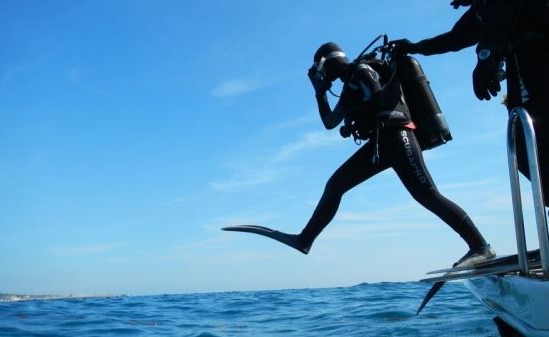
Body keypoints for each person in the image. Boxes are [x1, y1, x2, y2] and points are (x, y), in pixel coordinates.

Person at [224, 42, 495, 268]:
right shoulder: (349, 85)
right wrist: (320, 94)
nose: (320, 77)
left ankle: (480, 246)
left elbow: (378, 98)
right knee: (335, 186)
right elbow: (330, 122)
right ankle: (305, 240)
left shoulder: (362, 70)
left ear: (324, 64)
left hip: (398, 136)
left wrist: (357, 116)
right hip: (382, 142)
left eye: (319, 72)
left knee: (427, 194)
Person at [391, 0, 549, 204]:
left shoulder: (492, 7)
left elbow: (498, 20)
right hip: (525, 66)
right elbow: (454, 38)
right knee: (524, 144)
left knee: (531, 137)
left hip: (535, 63)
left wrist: (487, 58)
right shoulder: (483, 8)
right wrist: (415, 47)